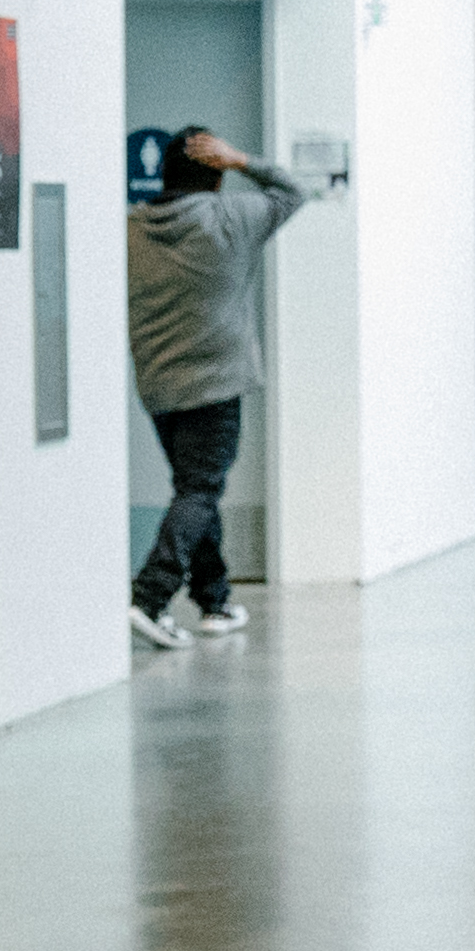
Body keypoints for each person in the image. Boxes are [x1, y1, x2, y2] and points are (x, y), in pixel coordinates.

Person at [125, 125, 339, 650]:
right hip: (215, 384)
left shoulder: (133, 225)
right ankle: (149, 597)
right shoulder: (230, 217)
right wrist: (241, 159)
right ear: (215, 173)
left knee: (193, 489)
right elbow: (293, 192)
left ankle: (214, 602)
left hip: (157, 382)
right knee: (200, 490)